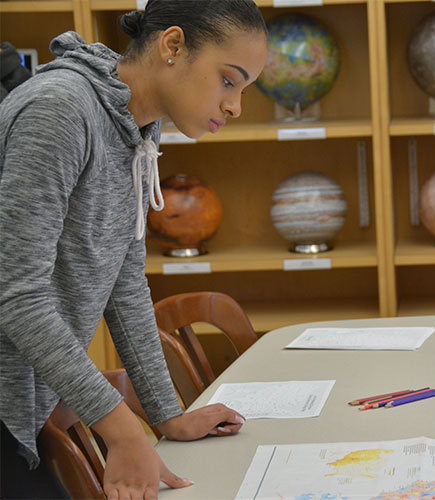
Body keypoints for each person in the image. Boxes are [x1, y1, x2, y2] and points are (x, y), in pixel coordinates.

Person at [0, 0, 267, 498]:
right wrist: (123, 430)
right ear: (172, 45)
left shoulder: (136, 125)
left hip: (25, 405)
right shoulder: (60, 109)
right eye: (228, 81)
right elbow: (18, 298)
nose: (235, 106)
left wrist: (167, 416)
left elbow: (124, 282)